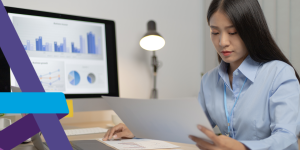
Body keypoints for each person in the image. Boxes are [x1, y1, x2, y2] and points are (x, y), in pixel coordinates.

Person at [103, 0, 300, 149]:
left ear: (252, 31)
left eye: (232, 32)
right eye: (215, 33)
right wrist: (138, 129)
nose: (222, 42)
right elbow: (187, 126)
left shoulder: (279, 74)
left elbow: (287, 137)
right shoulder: (209, 80)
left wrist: (241, 147)